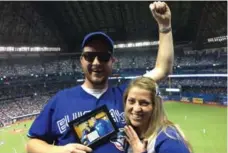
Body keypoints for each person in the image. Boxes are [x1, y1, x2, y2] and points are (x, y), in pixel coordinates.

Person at [26, 1, 174, 153]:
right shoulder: (61, 99)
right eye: (89, 56)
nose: (96, 63)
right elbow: (32, 144)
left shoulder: (127, 95)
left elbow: (162, 69)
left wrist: (165, 27)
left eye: (103, 57)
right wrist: (59, 151)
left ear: (112, 62)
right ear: (81, 61)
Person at [123, 77, 192, 153]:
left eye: (144, 103)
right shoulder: (128, 132)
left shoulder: (169, 140)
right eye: (131, 101)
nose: (136, 109)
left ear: (155, 106)